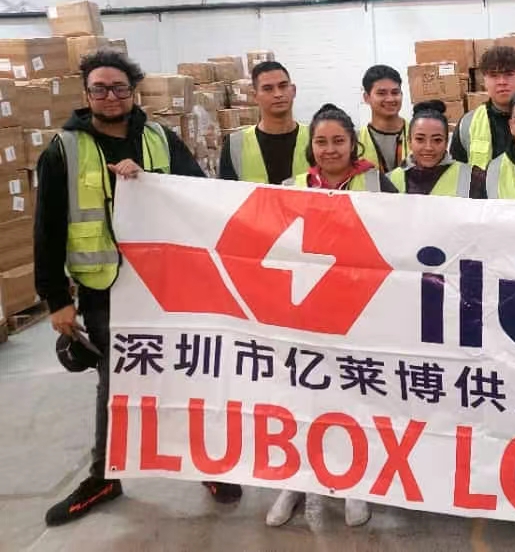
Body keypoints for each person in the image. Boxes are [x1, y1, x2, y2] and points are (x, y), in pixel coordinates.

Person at [34, 50, 243, 526]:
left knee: (189, 374)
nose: (110, 96)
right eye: (100, 88)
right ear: (86, 93)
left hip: (168, 284)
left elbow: (196, 194)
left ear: (133, 91)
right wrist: (56, 299)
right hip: (106, 287)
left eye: (119, 88)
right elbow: (47, 227)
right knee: (117, 383)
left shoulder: (159, 139)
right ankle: (104, 476)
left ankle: (204, 463)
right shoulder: (64, 149)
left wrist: (147, 181)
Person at [270, 103, 395, 530]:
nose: (330, 149)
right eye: (321, 142)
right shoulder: (290, 187)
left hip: (360, 312)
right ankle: (295, 480)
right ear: (311, 146)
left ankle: (354, 482)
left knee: (353, 399)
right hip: (302, 311)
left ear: (353, 143)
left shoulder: (377, 183)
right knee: (301, 398)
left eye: (338, 140)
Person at [218, 61, 309, 183]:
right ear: (255, 96)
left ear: (293, 90)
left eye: (283, 86)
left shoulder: (315, 139)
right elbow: (227, 192)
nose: (278, 94)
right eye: (268, 89)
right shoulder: (235, 145)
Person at [387, 101, 486, 197]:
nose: (428, 147)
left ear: (446, 142)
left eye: (437, 140)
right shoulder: (390, 181)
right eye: (420, 139)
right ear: (409, 141)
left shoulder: (474, 178)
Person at [359, 65, 409, 173]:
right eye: (381, 93)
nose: (390, 99)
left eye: (395, 92)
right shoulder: (357, 141)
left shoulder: (418, 134)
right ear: (366, 97)